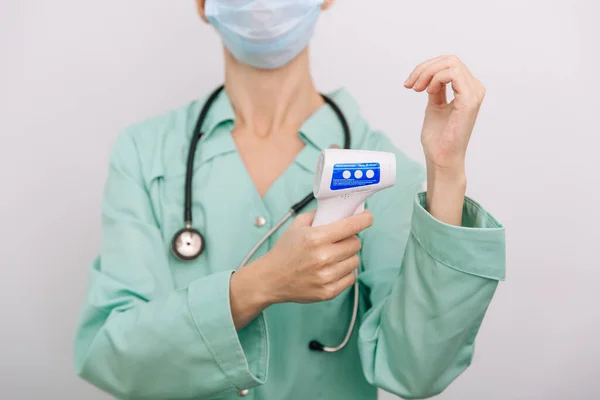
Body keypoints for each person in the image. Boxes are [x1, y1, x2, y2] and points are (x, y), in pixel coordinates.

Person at [73, 1, 506, 399]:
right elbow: (114, 357)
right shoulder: (144, 153)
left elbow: (416, 372)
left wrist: (446, 173)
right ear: (203, 3)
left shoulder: (379, 170)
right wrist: (260, 285)